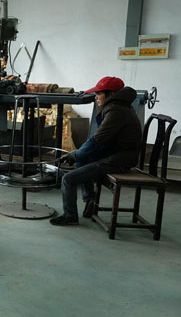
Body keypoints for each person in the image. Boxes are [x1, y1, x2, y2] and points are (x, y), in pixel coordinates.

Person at [50, 76, 142, 226]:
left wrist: (75, 154)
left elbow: (97, 140)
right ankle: (90, 200)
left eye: (99, 93)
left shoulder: (116, 111)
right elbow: (99, 141)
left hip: (118, 161)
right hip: (118, 154)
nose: (96, 97)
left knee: (68, 179)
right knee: (82, 159)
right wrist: (78, 155)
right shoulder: (120, 106)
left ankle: (70, 216)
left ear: (111, 94)